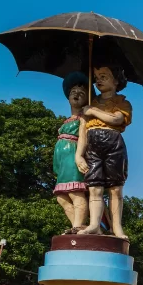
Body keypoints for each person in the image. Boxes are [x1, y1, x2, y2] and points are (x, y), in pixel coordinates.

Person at [77, 65, 131, 238]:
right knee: (95, 187)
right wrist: (79, 154)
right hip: (93, 145)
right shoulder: (90, 103)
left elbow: (116, 118)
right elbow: (83, 130)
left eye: (104, 76)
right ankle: (94, 223)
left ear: (115, 81)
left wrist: (93, 111)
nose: (98, 80)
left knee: (115, 188)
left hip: (113, 143)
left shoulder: (121, 102)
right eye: (96, 77)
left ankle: (117, 227)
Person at [53, 72, 90, 233]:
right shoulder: (67, 120)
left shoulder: (84, 117)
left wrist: (79, 155)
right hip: (63, 162)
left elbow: (84, 135)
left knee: (76, 192)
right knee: (62, 197)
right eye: (73, 91)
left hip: (74, 156)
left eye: (81, 92)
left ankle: (78, 226)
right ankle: (77, 225)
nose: (77, 94)